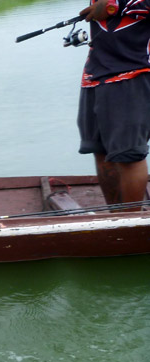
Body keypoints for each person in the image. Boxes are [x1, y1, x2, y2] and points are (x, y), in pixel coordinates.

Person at [77, 0, 150, 210]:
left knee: (129, 155)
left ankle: (130, 225)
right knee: (100, 150)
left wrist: (114, 5)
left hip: (134, 71)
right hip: (95, 73)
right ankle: (113, 219)